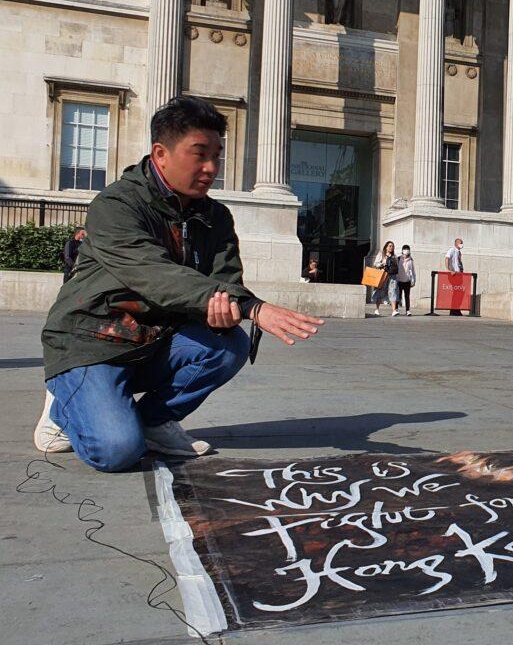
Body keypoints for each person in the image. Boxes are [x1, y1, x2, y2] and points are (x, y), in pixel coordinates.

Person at [35, 96, 324, 472]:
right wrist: (253, 308)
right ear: (160, 153)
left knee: (228, 344)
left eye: (217, 156)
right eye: (199, 154)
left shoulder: (214, 216)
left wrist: (230, 309)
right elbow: (152, 273)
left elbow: (226, 281)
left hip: (153, 340)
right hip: (91, 341)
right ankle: (64, 404)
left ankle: (154, 420)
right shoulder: (116, 204)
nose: (211, 168)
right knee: (118, 451)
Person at [372, 241, 399, 316]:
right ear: (386, 247)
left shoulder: (395, 256)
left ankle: (394, 310)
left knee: (393, 291)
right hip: (383, 275)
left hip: (392, 276)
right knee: (380, 291)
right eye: (390, 246)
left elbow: (397, 267)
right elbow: (375, 264)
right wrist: (382, 263)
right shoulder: (381, 254)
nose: (391, 247)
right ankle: (377, 309)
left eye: (392, 246)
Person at [444, 238, 465, 315]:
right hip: (454, 274)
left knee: (459, 292)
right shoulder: (452, 250)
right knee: (457, 292)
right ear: (456, 243)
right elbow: (446, 258)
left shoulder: (458, 252)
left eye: (462, 243)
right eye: (460, 243)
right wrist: (449, 270)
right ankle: (454, 310)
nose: (461, 244)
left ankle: (456, 309)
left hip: (459, 274)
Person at [396, 244, 415, 316]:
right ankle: (396, 309)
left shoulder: (411, 260)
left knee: (407, 296)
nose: (406, 250)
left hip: (407, 281)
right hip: (399, 280)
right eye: (405, 249)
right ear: (402, 250)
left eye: (407, 249)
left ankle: (408, 310)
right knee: (398, 296)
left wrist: (413, 280)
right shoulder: (398, 259)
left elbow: (413, 271)